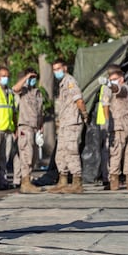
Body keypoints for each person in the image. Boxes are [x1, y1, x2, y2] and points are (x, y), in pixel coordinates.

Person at [49, 59, 88, 194]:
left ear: (65, 68)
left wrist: (84, 114)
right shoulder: (62, 84)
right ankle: (63, 180)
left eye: (58, 68)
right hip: (64, 123)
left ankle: (77, 181)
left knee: (71, 151)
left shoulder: (70, 81)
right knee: (61, 152)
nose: (56, 72)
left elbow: (79, 100)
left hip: (72, 122)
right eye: (54, 69)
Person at [100, 64, 128, 190]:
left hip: (120, 126)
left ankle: (114, 183)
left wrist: (109, 85)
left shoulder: (124, 87)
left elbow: (117, 89)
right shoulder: (127, 88)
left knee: (116, 154)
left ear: (121, 78)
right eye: (110, 79)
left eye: (114, 78)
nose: (112, 81)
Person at [11, 67, 44, 194]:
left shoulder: (38, 92)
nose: (32, 80)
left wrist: (41, 126)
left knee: (34, 156)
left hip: (35, 128)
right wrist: (26, 78)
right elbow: (15, 88)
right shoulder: (23, 90)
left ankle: (28, 180)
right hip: (25, 127)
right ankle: (25, 182)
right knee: (26, 155)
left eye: (34, 78)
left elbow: (40, 111)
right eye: (31, 78)